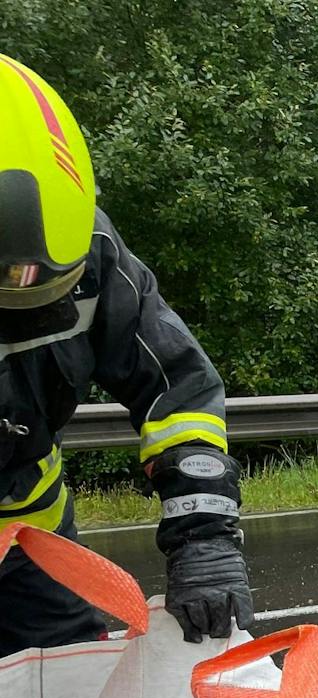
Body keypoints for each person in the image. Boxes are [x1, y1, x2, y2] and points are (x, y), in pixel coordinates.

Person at [0, 55, 252, 659]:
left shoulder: (89, 253)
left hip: (31, 534)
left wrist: (204, 537)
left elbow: (178, 389)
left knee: (62, 697)